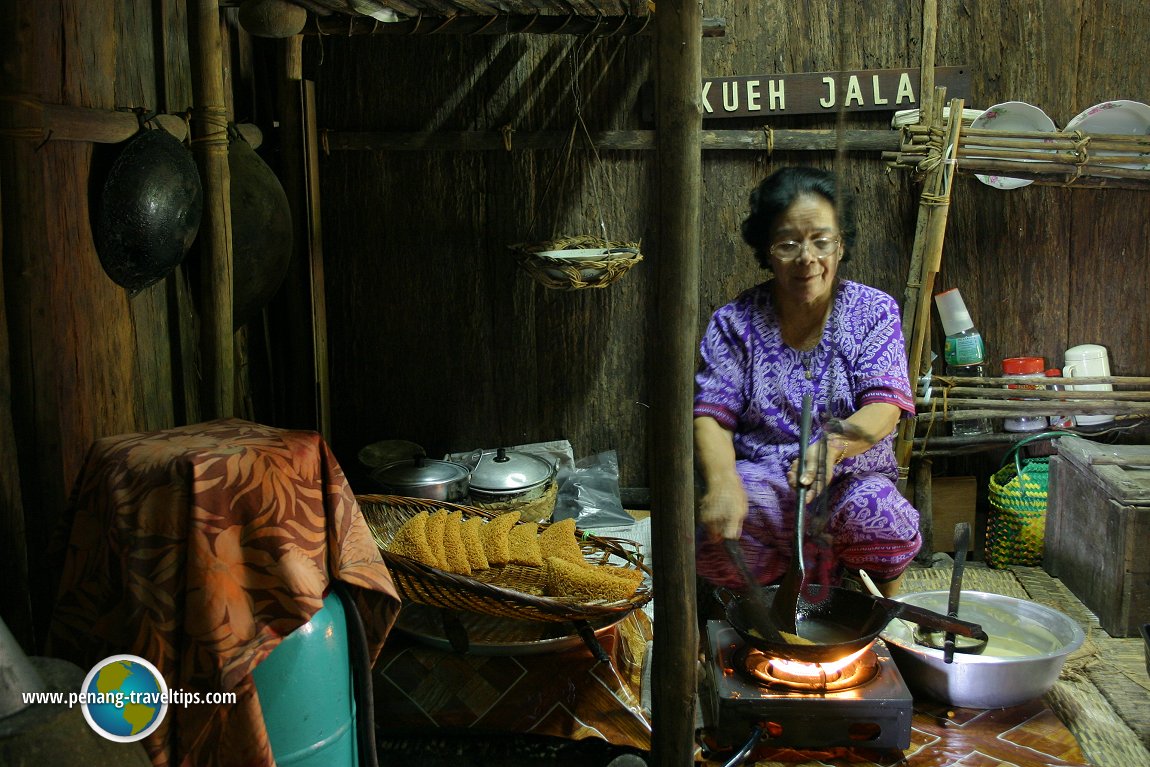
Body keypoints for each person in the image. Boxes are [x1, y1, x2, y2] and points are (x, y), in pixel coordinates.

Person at [693, 166, 921, 599]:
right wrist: (722, 483)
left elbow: (885, 408)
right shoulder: (734, 323)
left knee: (884, 518)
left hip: (848, 477)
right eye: (788, 243)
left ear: (841, 243)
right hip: (766, 478)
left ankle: (890, 610)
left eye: (822, 240)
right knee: (716, 538)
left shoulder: (874, 311)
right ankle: (745, 616)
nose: (807, 258)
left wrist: (831, 448)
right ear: (766, 248)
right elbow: (712, 414)